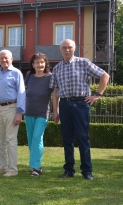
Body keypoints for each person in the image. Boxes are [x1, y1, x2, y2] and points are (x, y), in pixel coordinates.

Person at [50, 39, 109, 180]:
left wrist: (98, 95)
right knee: (67, 138)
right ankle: (69, 170)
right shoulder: (57, 68)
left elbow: (104, 76)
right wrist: (56, 110)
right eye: (64, 47)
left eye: (69, 47)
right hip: (64, 104)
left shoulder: (83, 62)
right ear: (61, 50)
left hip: (81, 104)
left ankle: (87, 171)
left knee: (83, 137)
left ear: (74, 48)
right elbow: (55, 91)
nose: (67, 50)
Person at [0, 50, 26, 177]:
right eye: (1, 58)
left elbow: (21, 93)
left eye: (6, 58)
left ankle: (13, 169)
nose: (4, 60)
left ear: (11, 59)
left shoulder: (16, 73)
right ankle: (1, 167)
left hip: (11, 108)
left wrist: (19, 112)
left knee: (10, 139)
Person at [24, 53, 53, 177]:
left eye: (42, 62)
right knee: (31, 140)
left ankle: (36, 167)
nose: (39, 65)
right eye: (37, 62)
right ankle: (34, 165)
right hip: (28, 111)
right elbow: (24, 92)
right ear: (33, 64)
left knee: (37, 137)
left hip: (42, 113)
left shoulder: (51, 77)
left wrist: (56, 111)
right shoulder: (29, 75)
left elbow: (55, 94)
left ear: (45, 64)